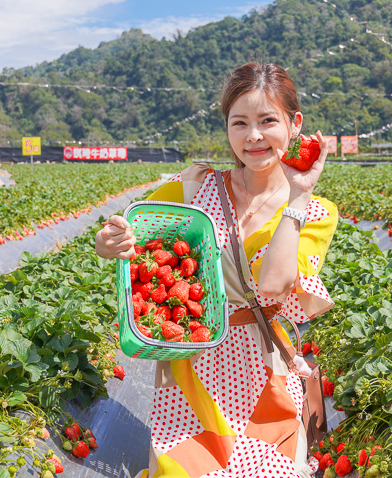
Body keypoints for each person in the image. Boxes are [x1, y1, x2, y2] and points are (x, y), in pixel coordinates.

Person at [95, 61, 337, 478]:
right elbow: (131, 230)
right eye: (239, 122)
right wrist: (109, 243)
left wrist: (297, 197)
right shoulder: (194, 188)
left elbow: (274, 287)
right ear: (226, 127)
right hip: (190, 368)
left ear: (294, 123)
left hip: (264, 376)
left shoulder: (315, 211)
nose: (253, 136)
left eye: (267, 121)